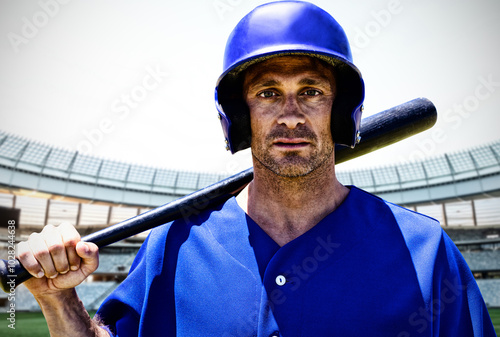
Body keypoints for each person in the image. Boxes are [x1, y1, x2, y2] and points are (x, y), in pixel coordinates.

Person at [16, 1, 496, 336]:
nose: (291, 114)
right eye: (268, 93)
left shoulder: (426, 253)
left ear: (340, 108)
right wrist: (59, 301)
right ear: (241, 115)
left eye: (311, 91)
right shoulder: (175, 247)